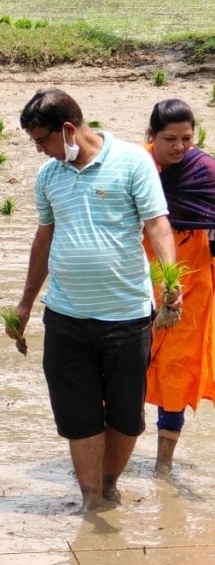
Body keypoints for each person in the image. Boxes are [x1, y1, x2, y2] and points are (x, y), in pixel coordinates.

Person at [11, 88, 181, 511]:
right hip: (66, 315)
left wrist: (168, 280)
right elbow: (44, 239)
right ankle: (92, 501)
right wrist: (26, 303)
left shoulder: (133, 161)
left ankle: (107, 484)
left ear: (68, 129)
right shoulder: (49, 177)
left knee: (125, 417)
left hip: (126, 316)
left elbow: (157, 224)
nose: (41, 151)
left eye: (43, 141)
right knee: (78, 416)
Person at [141, 99, 215, 476]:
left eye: (187, 138)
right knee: (127, 365)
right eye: (169, 138)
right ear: (150, 136)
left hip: (194, 283)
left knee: (177, 369)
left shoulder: (203, 172)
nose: (179, 147)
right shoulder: (135, 168)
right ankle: (110, 455)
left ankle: (163, 466)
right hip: (141, 279)